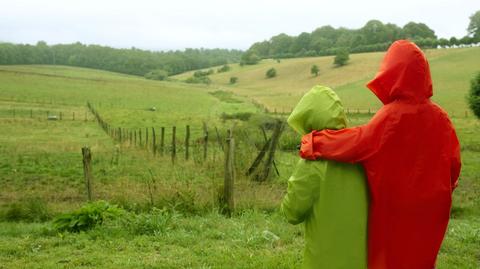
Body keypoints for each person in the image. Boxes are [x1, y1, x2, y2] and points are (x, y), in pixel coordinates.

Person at [299, 40, 461, 269]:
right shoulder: (442, 118)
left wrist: (314, 142)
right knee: (421, 260)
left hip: (394, 211)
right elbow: (454, 166)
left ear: (393, 73)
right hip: (432, 210)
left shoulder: (391, 117)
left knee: (390, 261)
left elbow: (356, 142)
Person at [281, 85, 368, 269]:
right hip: (360, 261)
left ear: (308, 120)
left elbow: (292, 212)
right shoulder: (362, 155)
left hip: (321, 261)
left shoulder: (311, 164)